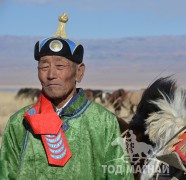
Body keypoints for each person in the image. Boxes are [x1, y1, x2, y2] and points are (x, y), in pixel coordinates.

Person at [0, 13, 134, 179]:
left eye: (60, 66)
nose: (51, 74)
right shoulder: (19, 123)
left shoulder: (103, 122)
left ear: (79, 72)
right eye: (44, 67)